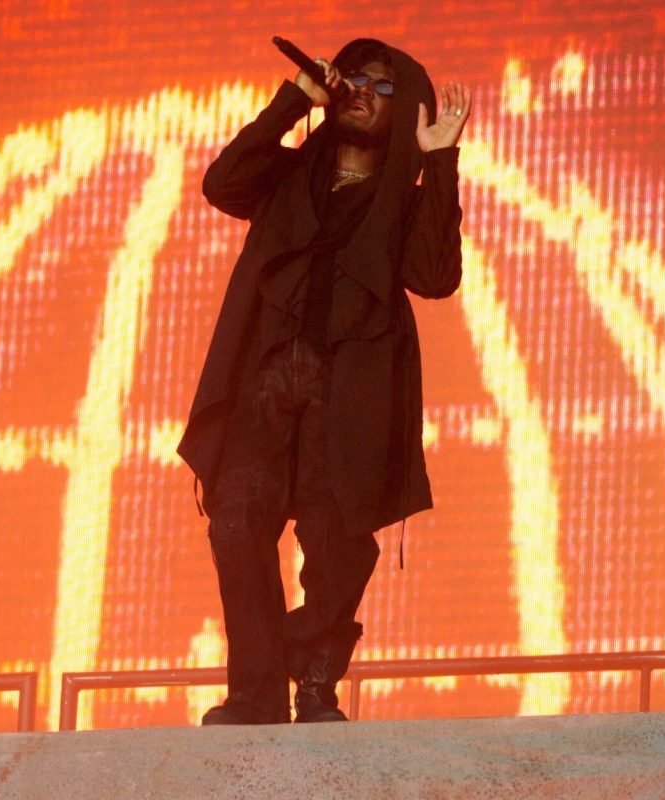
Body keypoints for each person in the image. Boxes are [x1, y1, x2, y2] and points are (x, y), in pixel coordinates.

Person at [177, 37, 471, 725]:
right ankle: (255, 693)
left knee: (336, 541)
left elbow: (434, 276)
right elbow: (221, 184)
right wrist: (296, 99)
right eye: (355, 79)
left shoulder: (402, 200)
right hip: (266, 384)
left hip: (350, 395)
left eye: (383, 86)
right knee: (236, 524)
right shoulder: (285, 181)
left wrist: (441, 163)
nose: (362, 91)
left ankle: (312, 678)